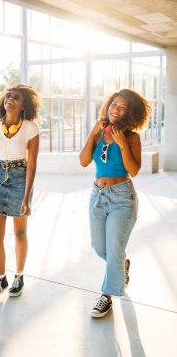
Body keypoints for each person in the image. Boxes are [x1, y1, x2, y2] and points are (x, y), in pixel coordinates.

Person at [79, 89, 151, 318]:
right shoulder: (99, 132)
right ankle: (122, 264)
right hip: (97, 195)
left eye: (122, 107)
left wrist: (121, 144)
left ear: (131, 113)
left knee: (114, 248)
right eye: (114, 104)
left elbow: (134, 170)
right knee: (100, 247)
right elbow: (82, 162)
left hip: (122, 197)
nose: (115, 110)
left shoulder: (132, 138)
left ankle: (106, 297)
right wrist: (92, 134)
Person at [0, 84, 40, 300]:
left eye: (16, 97)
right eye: (8, 96)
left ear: (23, 105)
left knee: (19, 232)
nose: (10, 99)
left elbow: (32, 165)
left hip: (19, 179)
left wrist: (27, 196)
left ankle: (19, 276)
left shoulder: (30, 129)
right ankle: (0, 279)